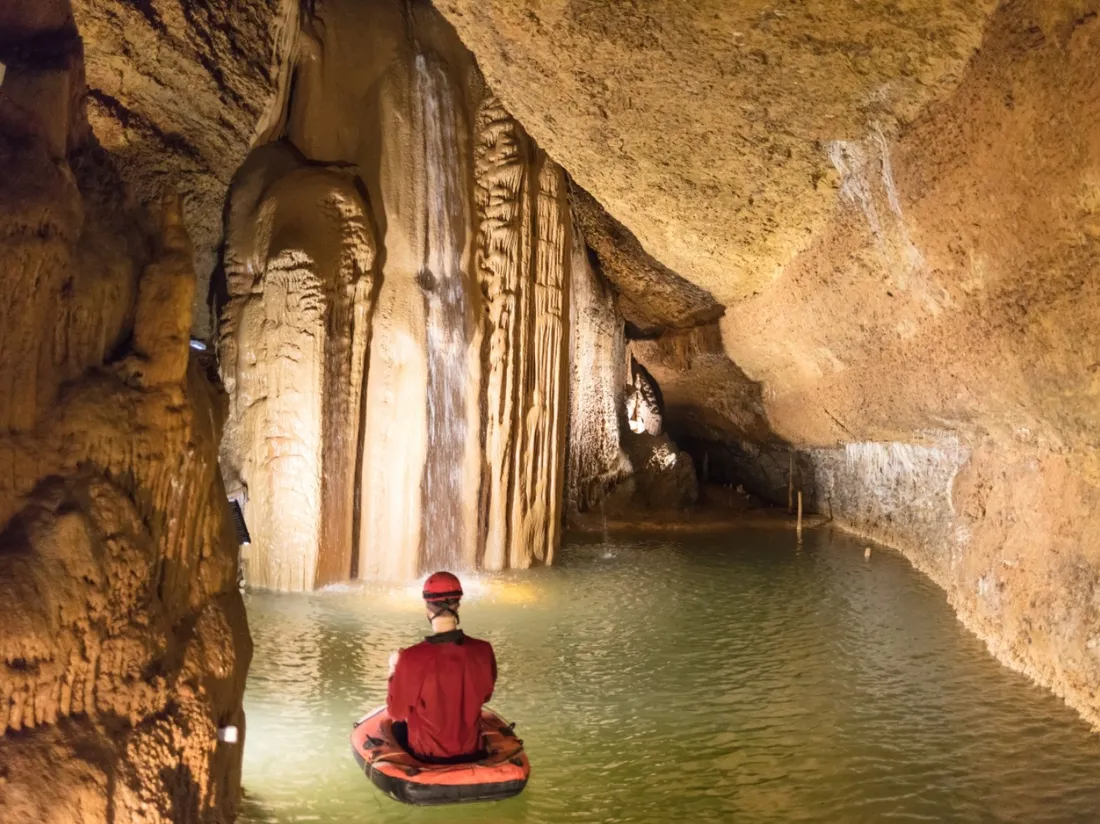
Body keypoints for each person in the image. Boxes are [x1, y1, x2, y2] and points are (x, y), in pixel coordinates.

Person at [386, 571, 497, 763]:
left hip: (427, 757)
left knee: (395, 728)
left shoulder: (411, 658)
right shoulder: (484, 650)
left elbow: (396, 712)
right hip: (473, 752)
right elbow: (485, 695)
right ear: (458, 605)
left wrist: (393, 670)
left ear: (428, 609)